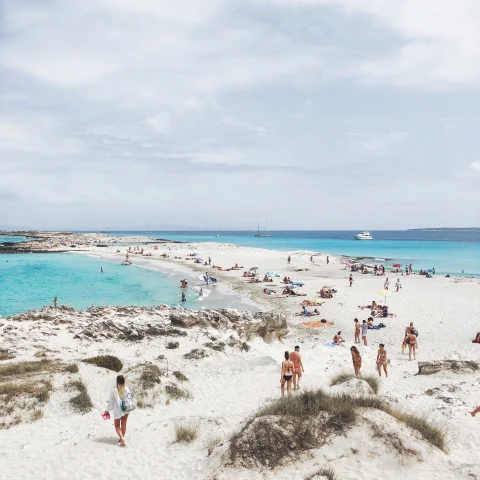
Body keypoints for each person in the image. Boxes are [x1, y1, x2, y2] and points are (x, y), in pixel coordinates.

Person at [104, 375, 130, 447]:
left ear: (117, 381)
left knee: (117, 425)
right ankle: (122, 438)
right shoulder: (127, 389)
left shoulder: (114, 390)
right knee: (124, 424)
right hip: (126, 408)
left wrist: (107, 410)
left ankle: (121, 438)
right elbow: (129, 398)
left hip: (118, 409)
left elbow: (110, 402)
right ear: (124, 381)